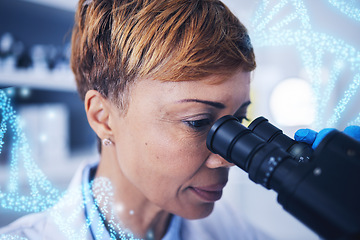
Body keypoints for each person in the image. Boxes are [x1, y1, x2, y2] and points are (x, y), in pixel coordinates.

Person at [0, 0, 270, 239]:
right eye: (197, 122)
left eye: (238, 119)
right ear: (103, 118)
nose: (228, 157)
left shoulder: (230, 228)